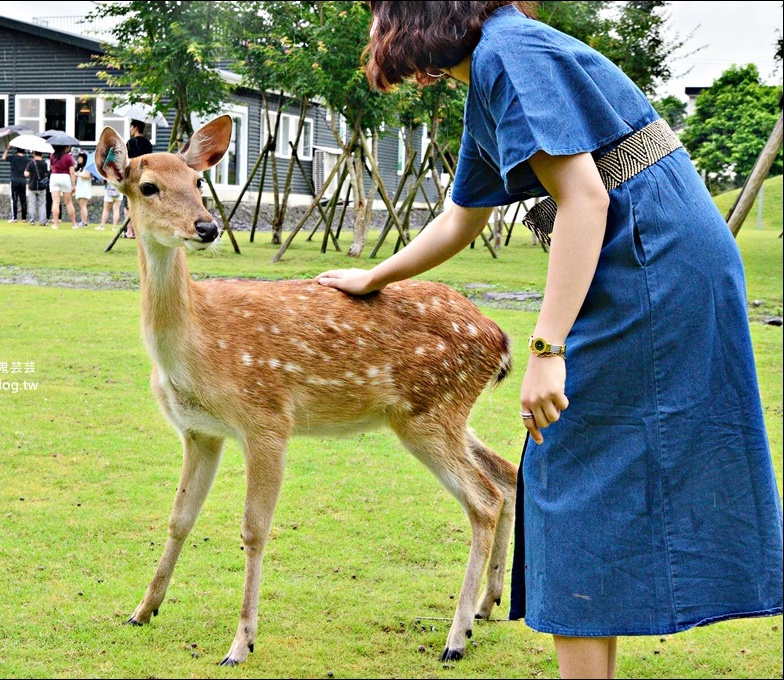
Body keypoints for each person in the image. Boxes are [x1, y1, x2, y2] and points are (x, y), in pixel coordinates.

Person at [317, 3, 784, 678]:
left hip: (653, 259)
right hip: (653, 254)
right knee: (576, 466)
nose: (374, 30)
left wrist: (546, 350)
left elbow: (586, 199)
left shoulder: (510, 54)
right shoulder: (494, 70)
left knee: (566, 459)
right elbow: (461, 217)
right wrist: (375, 275)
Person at [122, 120, 154, 239]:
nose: (130, 130)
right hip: (145, 178)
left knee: (128, 205)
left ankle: (129, 231)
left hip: (132, 178)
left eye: (131, 127)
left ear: (135, 128)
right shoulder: (148, 144)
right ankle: (140, 231)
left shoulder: (130, 143)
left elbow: (126, 161)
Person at [48, 144, 75, 229]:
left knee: (56, 202)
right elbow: (72, 172)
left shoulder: (52, 155)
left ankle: (55, 224)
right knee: (68, 202)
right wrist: (73, 185)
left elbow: (51, 167)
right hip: (65, 177)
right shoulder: (68, 157)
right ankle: (74, 224)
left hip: (54, 176)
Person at [2, 144, 30, 223]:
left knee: (14, 199)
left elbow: (3, 157)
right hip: (23, 181)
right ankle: (24, 218)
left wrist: (7, 149)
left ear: (17, 150)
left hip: (14, 180)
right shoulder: (26, 159)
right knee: (23, 199)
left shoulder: (13, 157)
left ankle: (14, 218)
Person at [24, 150, 50, 226]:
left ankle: (32, 221)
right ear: (41, 154)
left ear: (34, 154)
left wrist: (31, 174)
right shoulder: (45, 164)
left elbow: (26, 174)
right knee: (42, 204)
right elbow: (46, 174)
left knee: (32, 204)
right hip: (42, 187)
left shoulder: (31, 163)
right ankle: (42, 221)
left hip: (32, 186)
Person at [73, 151, 92, 228]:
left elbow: (88, 176)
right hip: (80, 188)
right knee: (81, 206)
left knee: (83, 205)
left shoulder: (87, 168)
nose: (79, 159)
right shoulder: (80, 168)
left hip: (85, 188)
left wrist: (78, 174)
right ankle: (83, 221)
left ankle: (84, 221)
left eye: (80, 158)